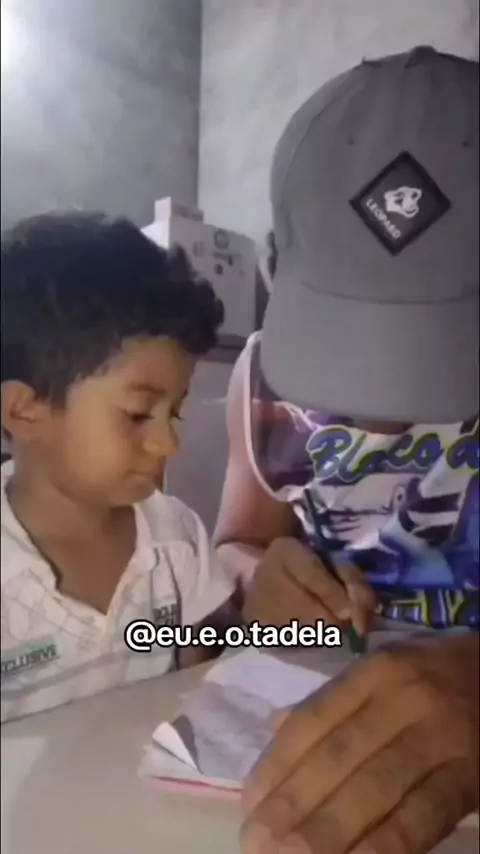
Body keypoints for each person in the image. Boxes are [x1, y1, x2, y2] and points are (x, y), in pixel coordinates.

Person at [212, 48, 479, 851]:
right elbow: (237, 542)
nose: (383, 408)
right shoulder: (259, 384)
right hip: (305, 713)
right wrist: (261, 578)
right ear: (276, 266)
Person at [0, 211, 236, 723]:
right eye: (138, 413)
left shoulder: (176, 539)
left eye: (175, 411)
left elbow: (197, 687)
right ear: (24, 411)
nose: (168, 443)